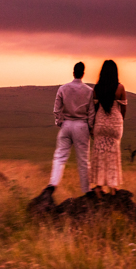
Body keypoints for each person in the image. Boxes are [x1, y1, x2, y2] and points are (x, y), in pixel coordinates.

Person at [46, 62, 93, 193]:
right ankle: (87, 191)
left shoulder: (63, 88)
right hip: (82, 125)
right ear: (83, 74)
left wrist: (60, 122)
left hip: (66, 124)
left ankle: (52, 183)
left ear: (73, 73)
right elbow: (92, 113)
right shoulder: (89, 91)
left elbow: (57, 109)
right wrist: (90, 128)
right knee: (83, 161)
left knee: (60, 156)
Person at [88, 59, 128, 192]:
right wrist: (120, 121)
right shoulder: (120, 88)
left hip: (100, 122)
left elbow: (93, 108)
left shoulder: (97, 88)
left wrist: (92, 126)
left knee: (100, 153)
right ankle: (112, 185)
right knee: (113, 153)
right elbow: (123, 109)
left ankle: (99, 186)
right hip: (115, 124)